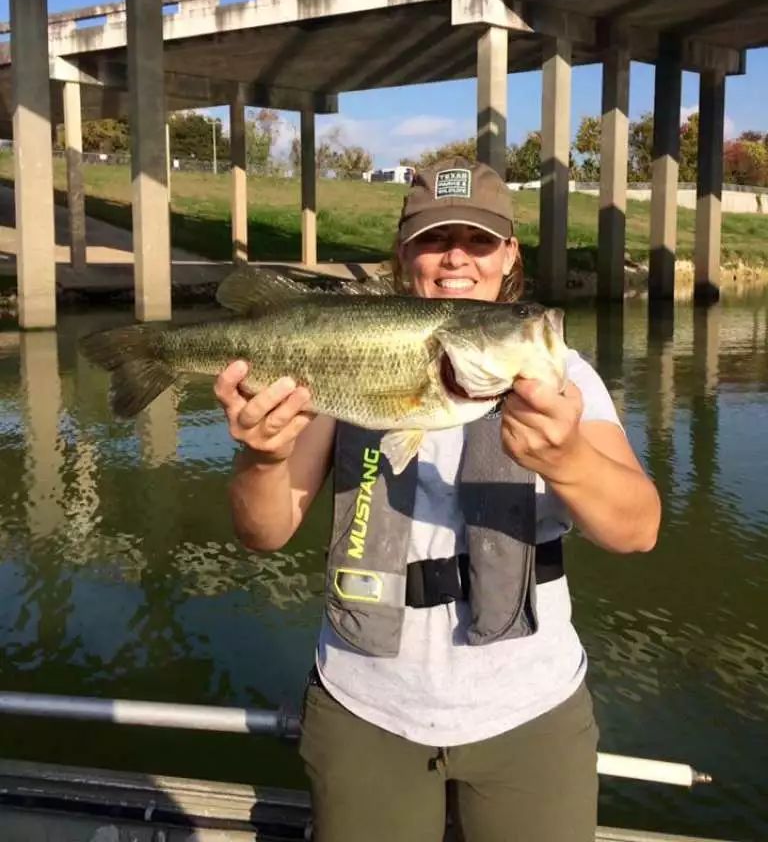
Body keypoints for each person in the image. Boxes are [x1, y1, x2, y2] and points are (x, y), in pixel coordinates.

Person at [214, 158, 661, 842]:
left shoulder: (564, 377)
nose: (457, 257)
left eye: (480, 240)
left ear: (509, 252)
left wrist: (567, 458)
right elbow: (262, 531)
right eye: (432, 239)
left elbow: (639, 530)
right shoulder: (346, 354)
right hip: (365, 705)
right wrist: (264, 454)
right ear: (404, 254)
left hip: (530, 710)